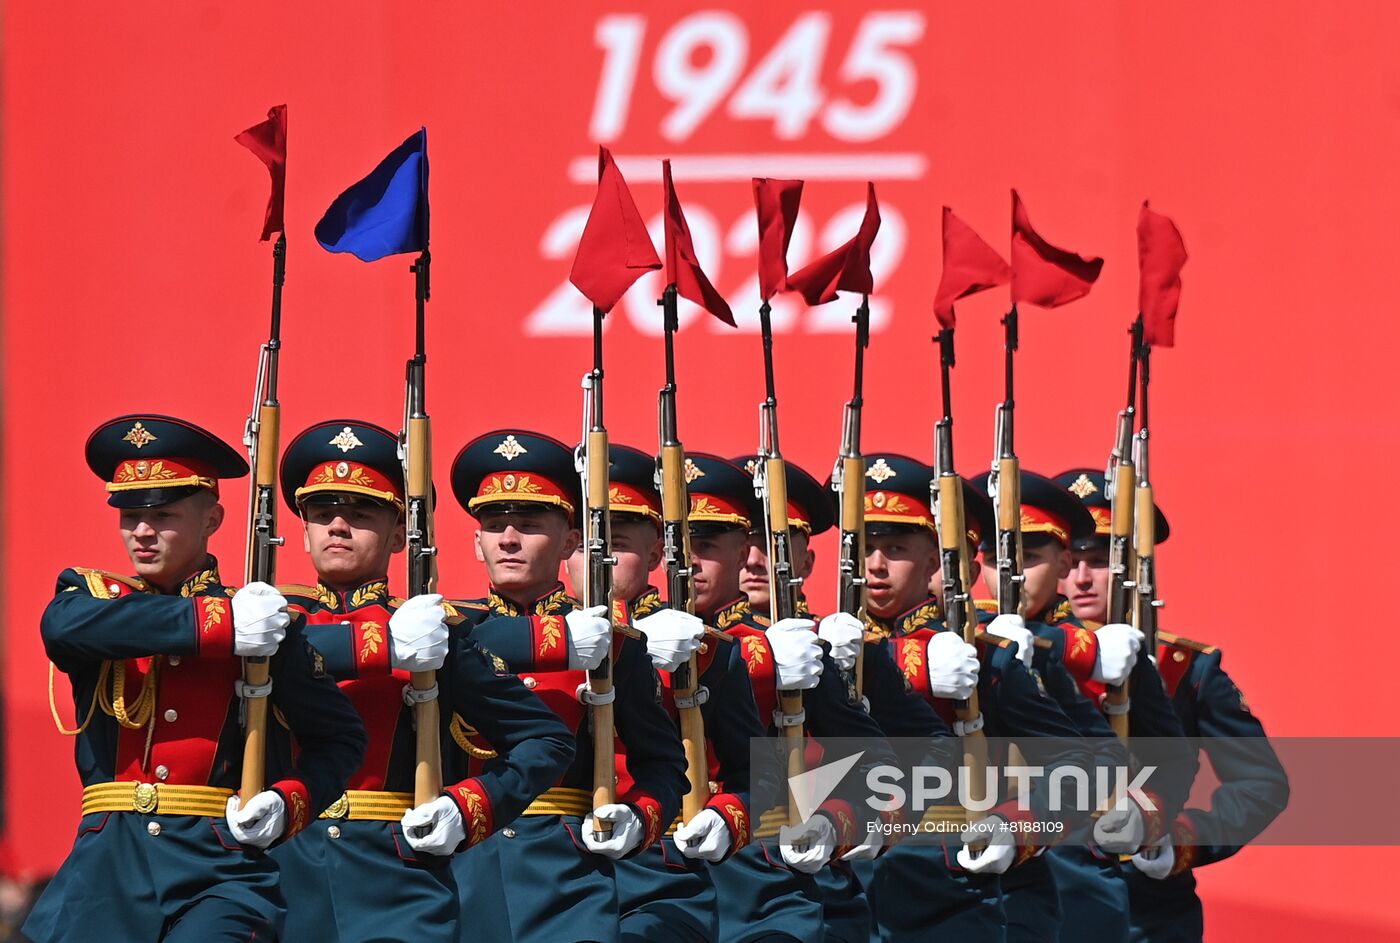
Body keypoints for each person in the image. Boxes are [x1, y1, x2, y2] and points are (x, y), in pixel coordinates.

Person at [28, 414, 366, 942]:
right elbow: (62, 628)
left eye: (163, 514)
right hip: (107, 870)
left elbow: (339, 740)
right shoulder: (94, 600)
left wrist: (288, 801)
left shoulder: (262, 627)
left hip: (219, 870)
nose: (142, 531)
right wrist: (220, 624)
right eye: (130, 515)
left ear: (212, 518)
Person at [269, 420, 575, 943]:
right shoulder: (261, 626)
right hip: (284, 870)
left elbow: (548, 742)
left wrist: (767, 825)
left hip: (415, 873)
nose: (337, 527)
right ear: (302, 532)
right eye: (321, 515)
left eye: (360, 514)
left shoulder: (679, 650)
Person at [445, 429, 687, 943]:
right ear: (475, 541)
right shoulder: (441, 633)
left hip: (568, 879)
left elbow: (662, 765)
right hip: (458, 870)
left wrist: (641, 819)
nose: (508, 539)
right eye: (493, 525)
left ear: (571, 541)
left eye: (529, 525)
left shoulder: (612, 643)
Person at [855, 454, 1094, 943]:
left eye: (896, 548)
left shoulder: (983, 655)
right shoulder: (819, 652)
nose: (876, 565)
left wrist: (1018, 825)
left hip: (946, 898)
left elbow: (1079, 766)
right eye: (866, 547)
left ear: (935, 560)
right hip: (838, 898)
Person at [1055, 469, 1289, 943]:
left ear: (1133, 567)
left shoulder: (1181, 667)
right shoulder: (1010, 656)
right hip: (1038, 896)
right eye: (1068, 561)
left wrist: (1180, 838)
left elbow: (1261, 782)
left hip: (1142, 905)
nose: (1081, 578)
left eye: (1099, 561)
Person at [686, 452, 892, 943]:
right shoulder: (632, 642)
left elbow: (886, 774)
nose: (756, 559)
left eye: (770, 542)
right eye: (746, 540)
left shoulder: (820, 649)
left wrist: (834, 825)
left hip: (772, 883)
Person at [566, 443, 761, 943]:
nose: (601, 560)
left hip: (658, 871)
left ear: (656, 555)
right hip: (542, 872)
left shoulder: (707, 651)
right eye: (589, 543)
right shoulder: (514, 643)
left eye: (620, 544)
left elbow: (761, 775)